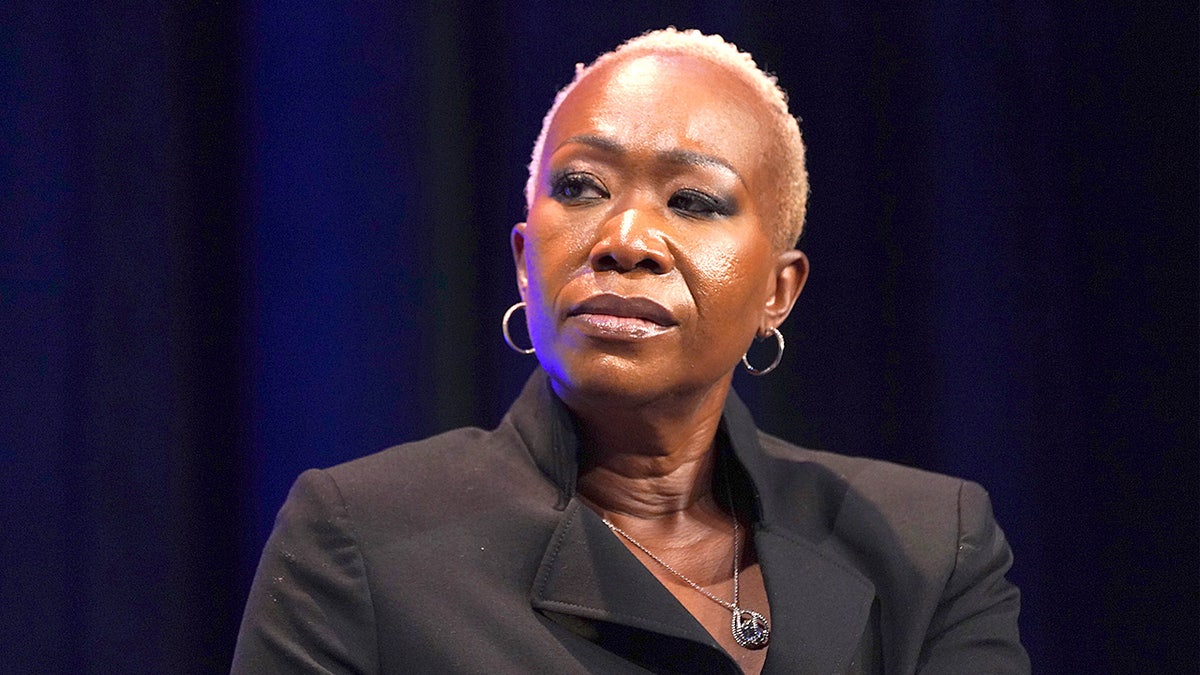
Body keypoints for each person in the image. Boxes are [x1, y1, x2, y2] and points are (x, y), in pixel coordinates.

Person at [232, 28, 1029, 674]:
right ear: (522, 259)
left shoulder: (928, 546)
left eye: (691, 200)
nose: (624, 239)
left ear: (778, 292)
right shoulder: (363, 541)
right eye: (580, 187)